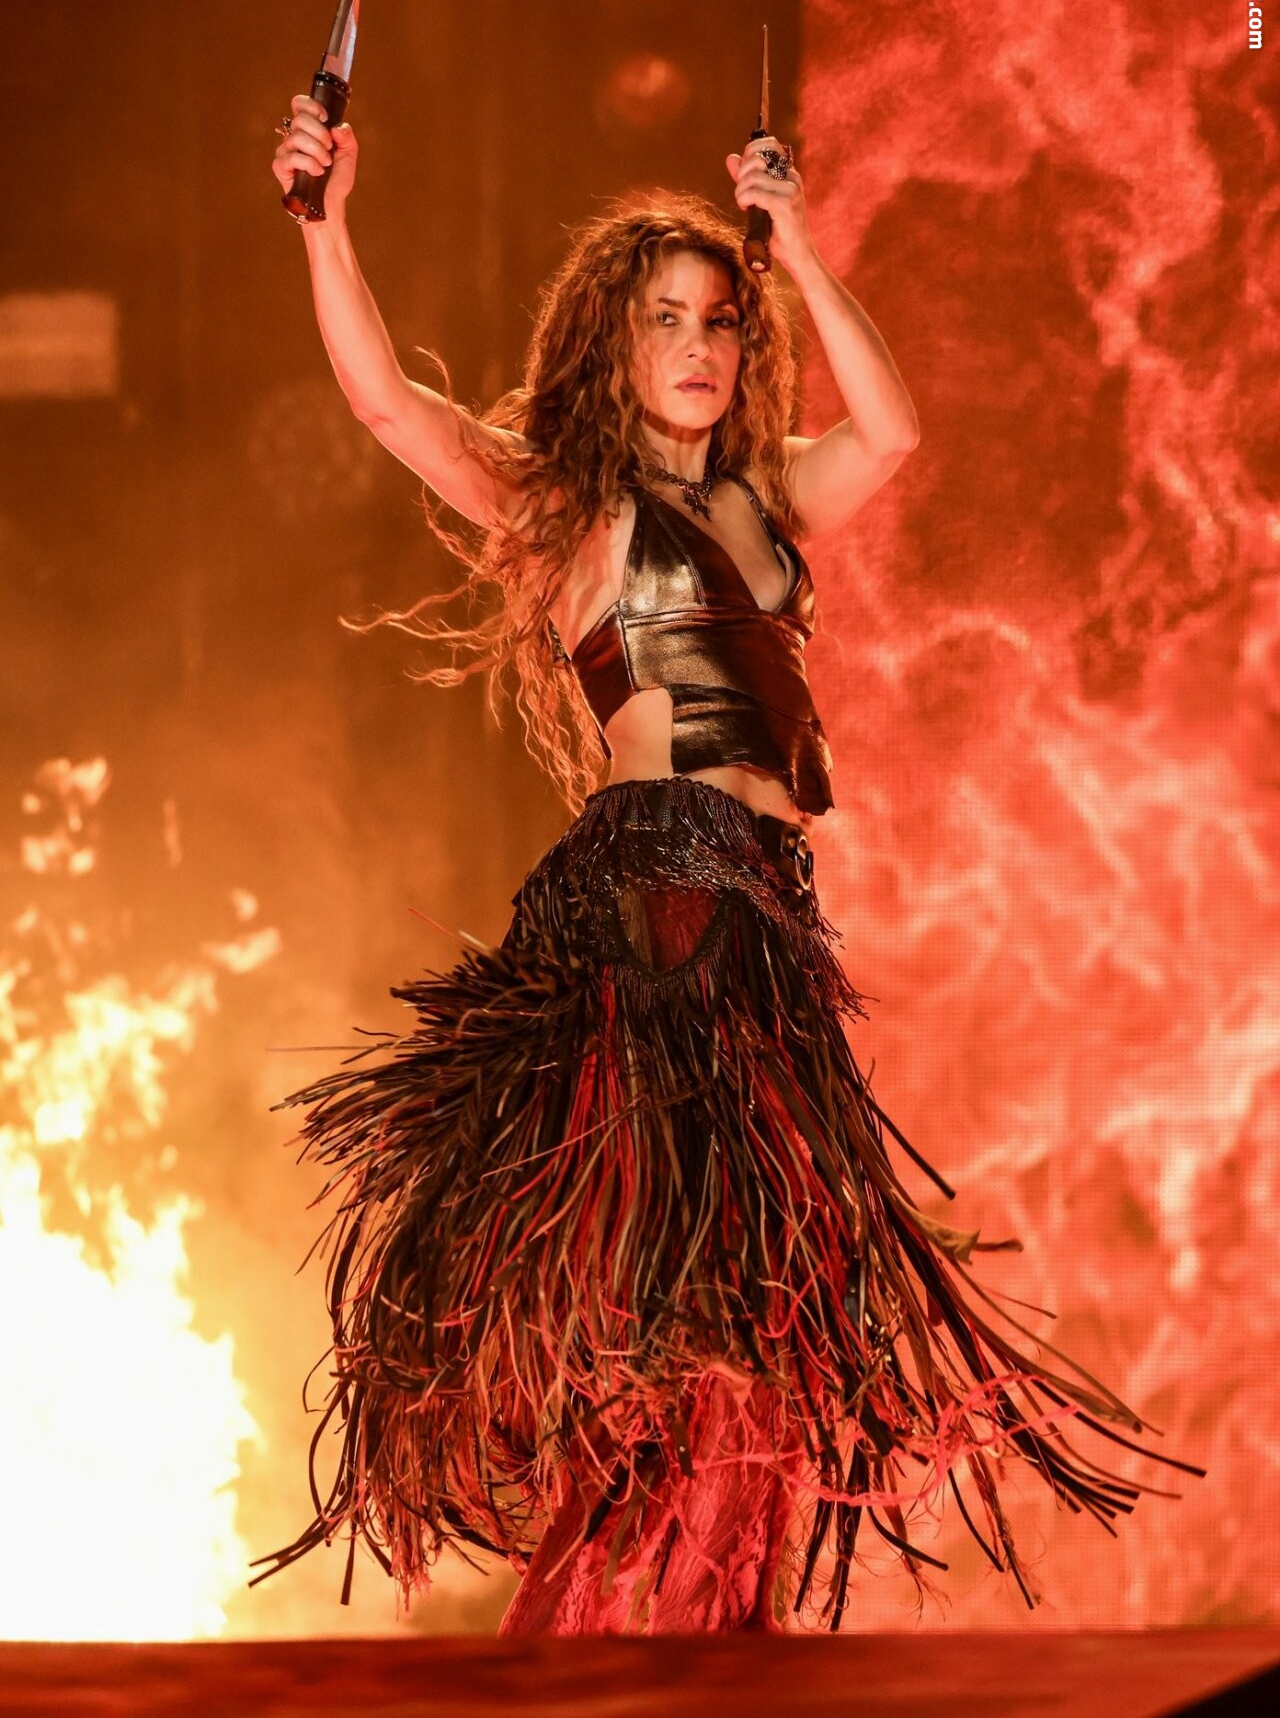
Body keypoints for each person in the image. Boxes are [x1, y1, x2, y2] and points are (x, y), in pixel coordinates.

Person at [249, 93, 1203, 1635]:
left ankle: (673, 1635)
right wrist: (325, 222)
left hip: (763, 915)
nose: (700, 346)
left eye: (721, 321)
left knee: (754, 1316)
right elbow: (384, 407)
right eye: (666, 320)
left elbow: (893, 433)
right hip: (657, 899)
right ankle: (622, 1641)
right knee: (698, 1311)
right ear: (610, 345)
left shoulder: (768, 503)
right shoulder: (567, 505)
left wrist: (800, 248)